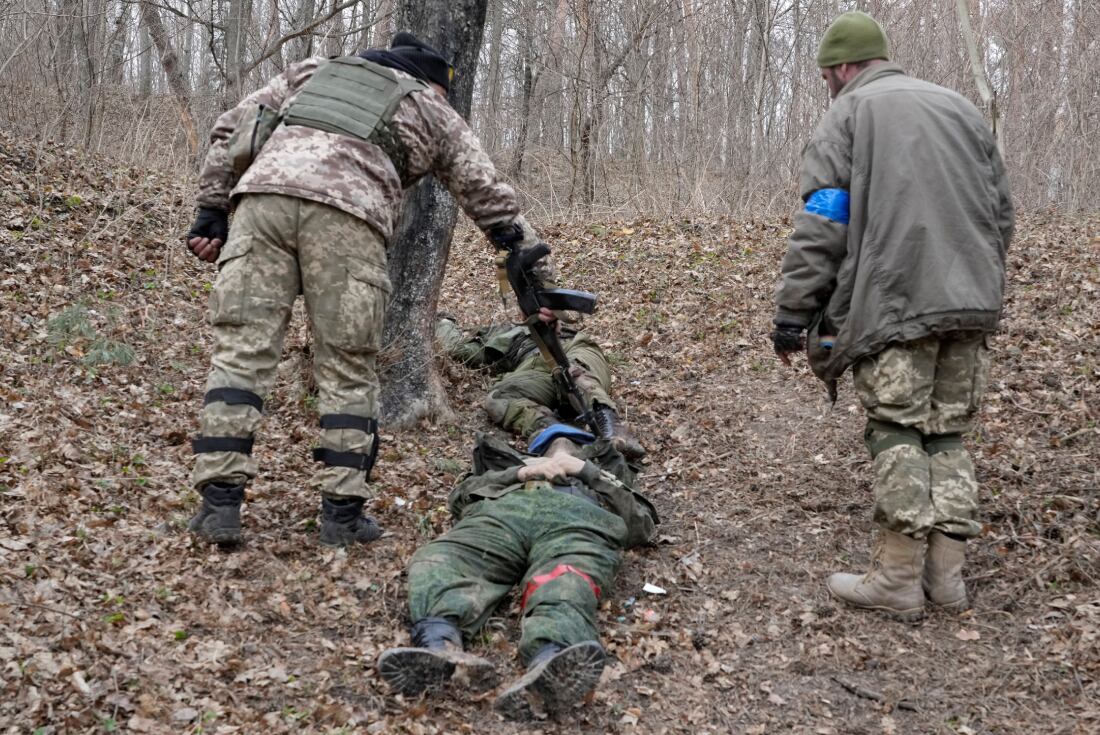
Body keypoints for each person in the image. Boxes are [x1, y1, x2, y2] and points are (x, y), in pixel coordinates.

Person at [183, 32, 554, 548]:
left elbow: (234, 127)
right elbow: (481, 185)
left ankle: (218, 505)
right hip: (348, 219)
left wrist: (211, 210)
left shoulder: (313, 70)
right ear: (434, 82)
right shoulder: (430, 104)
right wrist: (516, 246)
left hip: (260, 208)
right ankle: (342, 515)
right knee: (349, 366)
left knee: (240, 355)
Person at [770, 11, 1014, 620]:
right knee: (947, 432)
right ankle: (947, 581)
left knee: (898, 428)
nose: (829, 82)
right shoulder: (961, 108)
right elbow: (1001, 213)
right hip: (970, 300)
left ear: (844, 66)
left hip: (894, 301)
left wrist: (793, 314)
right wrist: (975, 279)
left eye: (829, 72)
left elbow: (824, 222)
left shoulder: (848, 114)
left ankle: (896, 581)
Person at [376, 432, 658, 720]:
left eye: (570, 440)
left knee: (567, 577)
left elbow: (641, 523)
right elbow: (459, 497)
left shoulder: (598, 472)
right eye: (553, 438)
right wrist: (521, 472)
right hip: (501, 515)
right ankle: (439, 643)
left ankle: (551, 657)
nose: (561, 442)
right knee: (441, 559)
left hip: (578, 519)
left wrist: (584, 470)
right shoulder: (509, 464)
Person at [436, 315, 646, 459]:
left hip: (574, 349)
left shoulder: (539, 313)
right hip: (534, 365)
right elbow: (453, 346)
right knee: (499, 397)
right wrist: (444, 321)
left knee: (571, 373)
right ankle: (553, 433)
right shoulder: (488, 342)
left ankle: (613, 428)